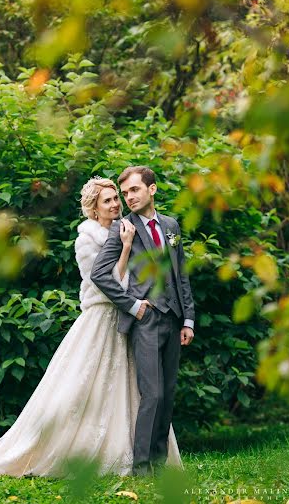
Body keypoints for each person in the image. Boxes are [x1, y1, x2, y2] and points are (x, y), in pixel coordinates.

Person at [0, 177, 182, 481]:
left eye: (116, 198)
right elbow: (106, 284)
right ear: (94, 208)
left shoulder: (125, 230)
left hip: (127, 320)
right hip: (101, 317)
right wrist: (126, 253)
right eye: (107, 200)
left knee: (130, 388)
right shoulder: (88, 239)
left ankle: (134, 453)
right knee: (80, 388)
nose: (116, 204)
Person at [91, 166, 195, 476]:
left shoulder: (171, 226)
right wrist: (133, 305)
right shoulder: (122, 228)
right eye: (125, 193)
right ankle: (141, 467)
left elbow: (181, 276)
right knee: (153, 394)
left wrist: (188, 319)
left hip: (175, 320)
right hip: (146, 321)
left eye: (134, 190)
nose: (129, 197)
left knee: (169, 394)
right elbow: (100, 274)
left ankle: (159, 464)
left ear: (152, 189)